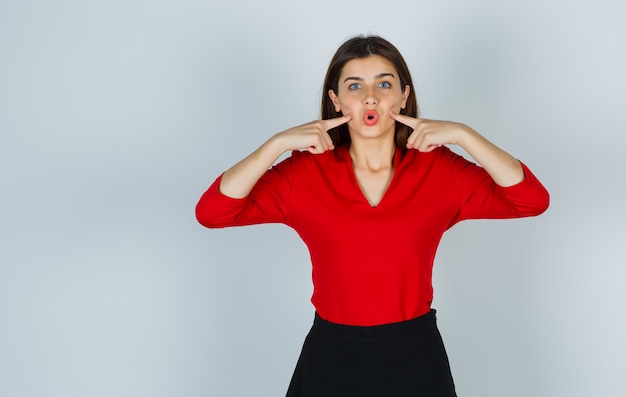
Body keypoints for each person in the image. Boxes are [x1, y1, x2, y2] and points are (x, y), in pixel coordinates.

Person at [195, 35, 549, 397]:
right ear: (335, 100)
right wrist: (277, 144)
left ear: (403, 96)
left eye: (384, 83)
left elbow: (530, 200)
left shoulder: (440, 169)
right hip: (330, 354)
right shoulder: (303, 173)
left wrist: (463, 134)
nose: (370, 97)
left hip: (414, 353)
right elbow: (212, 212)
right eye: (354, 85)